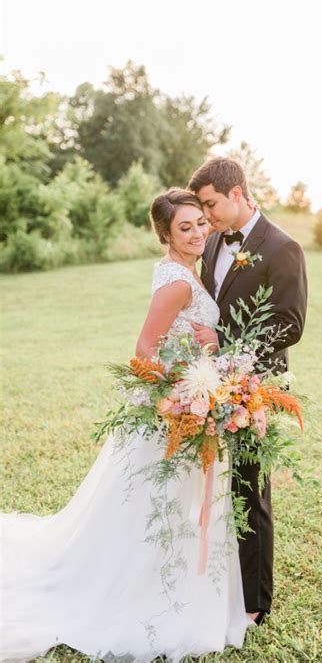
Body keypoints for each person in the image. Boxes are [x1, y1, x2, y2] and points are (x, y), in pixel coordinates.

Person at [0, 189, 253, 663]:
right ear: (165, 234)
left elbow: (184, 340)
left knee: (162, 503)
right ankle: (145, 592)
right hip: (174, 410)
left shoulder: (185, 271)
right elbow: (143, 350)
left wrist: (212, 352)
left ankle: (165, 581)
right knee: (156, 503)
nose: (199, 232)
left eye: (201, 223)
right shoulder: (177, 282)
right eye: (185, 227)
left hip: (187, 402)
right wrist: (185, 393)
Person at [188, 157, 308, 625]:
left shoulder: (283, 248)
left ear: (237, 193)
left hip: (255, 386)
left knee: (250, 487)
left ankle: (255, 603)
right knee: (212, 482)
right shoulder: (214, 241)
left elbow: (289, 324)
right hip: (211, 384)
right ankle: (214, 584)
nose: (207, 216)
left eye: (212, 204)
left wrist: (229, 345)